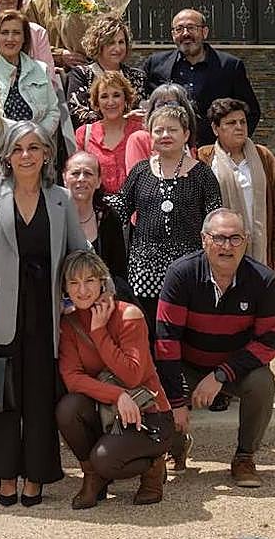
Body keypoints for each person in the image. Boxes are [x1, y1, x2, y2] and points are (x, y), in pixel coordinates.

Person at [0, 120, 89, 506]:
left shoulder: (61, 198)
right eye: (18, 149)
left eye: (34, 148)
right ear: (6, 155)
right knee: (1, 398)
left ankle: (36, 475)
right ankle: (4, 475)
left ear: (47, 154)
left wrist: (90, 292)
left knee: (38, 398)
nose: (26, 156)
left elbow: (78, 251)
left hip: (45, 311)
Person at [156, 209, 275, 487]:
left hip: (235, 369)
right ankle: (174, 449)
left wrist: (220, 376)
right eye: (219, 238)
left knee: (263, 382)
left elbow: (267, 343)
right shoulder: (181, 274)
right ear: (204, 240)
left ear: (246, 241)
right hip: (188, 364)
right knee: (159, 381)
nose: (227, 246)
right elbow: (167, 342)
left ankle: (244, 457)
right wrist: (177, 402)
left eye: (235, 238)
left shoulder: (265, 281)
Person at [56, 250, 174, 508]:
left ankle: (154, 465)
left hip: (149, 414)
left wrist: (99, 331)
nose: (82, 290)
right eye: (73, 283)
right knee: (68, 408)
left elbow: (132, 375)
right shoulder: (69, 324)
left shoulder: (128, 315)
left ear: (102, 281)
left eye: (89, 281)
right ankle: (92, 477)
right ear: (65, 287)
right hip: (110, 409)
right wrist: (117, 396)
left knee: (105, 460)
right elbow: (72, 379)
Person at [110, 104, 222, 340]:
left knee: (185, 332)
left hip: (189, 269)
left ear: (186, 135)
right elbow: (118, 210)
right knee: (148, 332)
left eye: (172, 130)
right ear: (149, 136)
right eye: (158, 130)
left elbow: (215, 220)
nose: (165, 135)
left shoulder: (202, 174)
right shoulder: (140, 171)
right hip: (144, 270)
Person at [142, 9, 261, 147]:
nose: (185, 33)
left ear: (204, 32)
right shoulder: (155, 64)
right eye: (179, 29)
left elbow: (251, 111)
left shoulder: (230, 66)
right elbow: (138, 102)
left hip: (213, 152)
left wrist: (234, 145)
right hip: (167, 150)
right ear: (173, 35)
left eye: (191, 28)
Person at [198, 98, 275, 273]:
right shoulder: (204, 158)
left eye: (243, 122)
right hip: (220, 248)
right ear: (215, 128)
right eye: (231, 122)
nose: (239, 127)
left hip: (260, 250)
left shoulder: (264, 157)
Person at [0, 10, 60, 140]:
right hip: (1, 145)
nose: (10, 39)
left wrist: (36, 138)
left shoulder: (41, 69)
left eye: (16, 33)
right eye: (4, 33)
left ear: (24, 37)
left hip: (38, 145)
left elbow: (53, 112)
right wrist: (15, 139)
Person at [65, 14, 147, 128]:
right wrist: (123, 119)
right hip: (95, 140)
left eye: (121, 42)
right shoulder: (81, 75)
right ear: (98, 44)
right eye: (111, 43)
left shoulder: (137, 76)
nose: (117, 48)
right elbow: (78, 114)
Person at [63, 152, 129, 293]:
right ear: (64, 178)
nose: (81, 179)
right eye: (75, 173)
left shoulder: (108, 218)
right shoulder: (55, 217)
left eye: (88, 174)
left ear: (99, 181)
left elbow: (119, 272)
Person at [74, 71, 142, 194]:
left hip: (135, 209)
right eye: (104, 96)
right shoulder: (84, 134)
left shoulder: (140, 132)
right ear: (97, 102)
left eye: (116, 95)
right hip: (96, 208)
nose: (111, 102)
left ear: (126, 98)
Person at [124, 83, 199, 170]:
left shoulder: (188, 142)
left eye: (172, 104)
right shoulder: (139, 139)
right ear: (151, 111)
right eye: (160, 105)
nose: (165, 109)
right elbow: (137, 179)